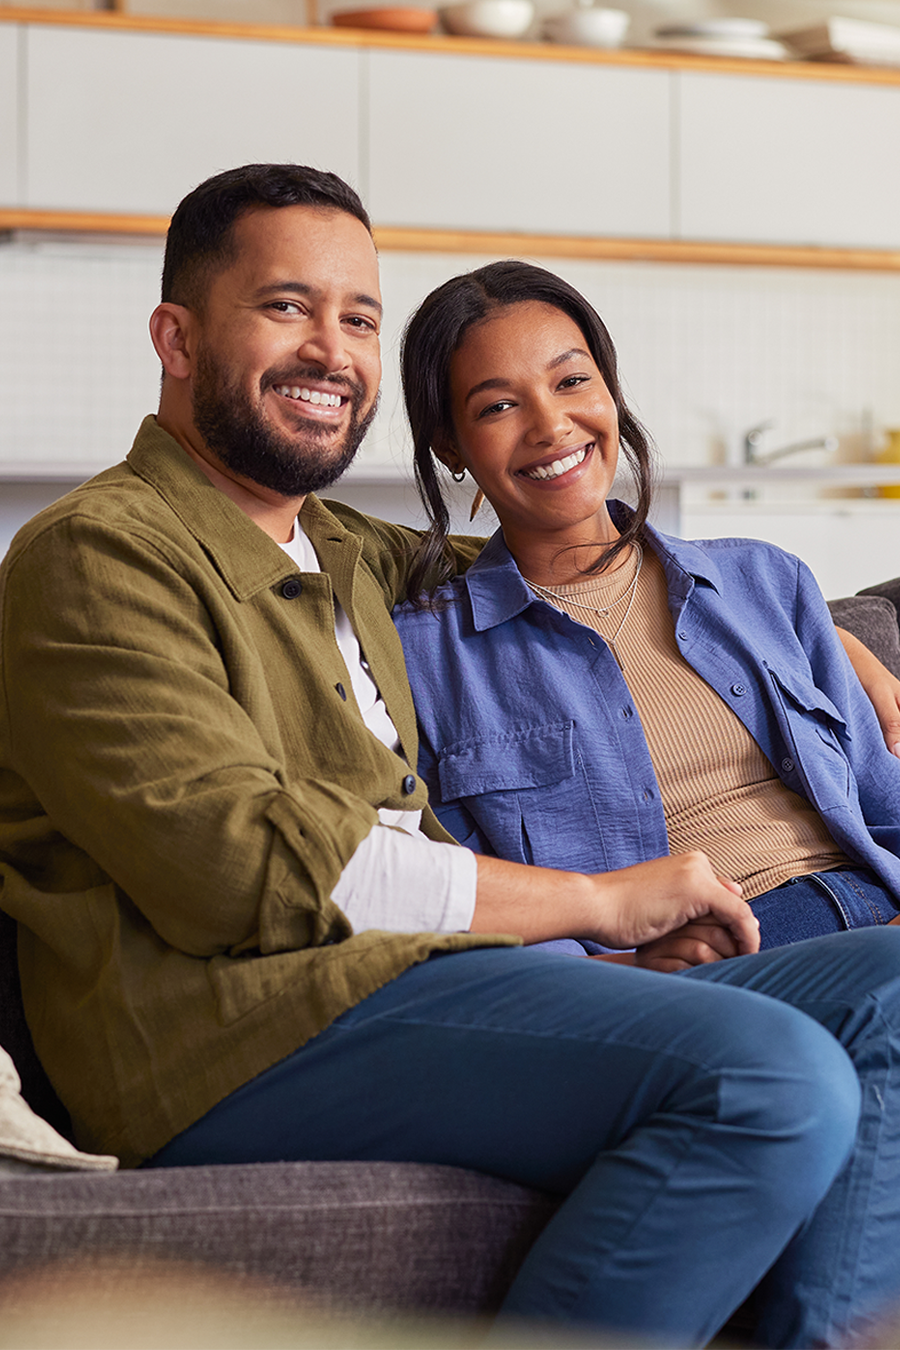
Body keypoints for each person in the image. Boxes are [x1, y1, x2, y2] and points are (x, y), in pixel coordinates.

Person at [1, 164, 900, 1350]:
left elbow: (566, 558)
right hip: (242, 1031)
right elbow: (240, 870)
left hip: (428, 983)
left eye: (358, 317)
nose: (331, 348)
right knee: (774, 1080)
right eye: (285, 307)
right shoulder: (96, 557)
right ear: (175, 335)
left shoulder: (345, 554)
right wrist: (593, 900)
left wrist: (820, 630)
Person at [395, 258, 900, 971]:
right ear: (450, 444)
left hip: (878, 911)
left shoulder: (766, 581)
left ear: (610, 390)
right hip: (722, 968)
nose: (551, 425)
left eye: (573, 382)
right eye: (498, 406)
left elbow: (886, 803)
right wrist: (625, 970)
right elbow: (463, 899)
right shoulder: (422, 660)